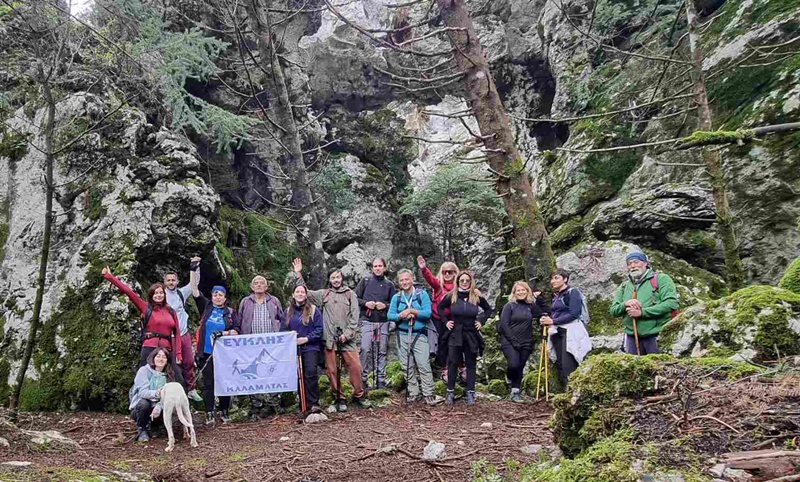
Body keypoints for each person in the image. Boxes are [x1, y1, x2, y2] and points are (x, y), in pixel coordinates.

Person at [289, 258, 371, 412]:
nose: (336, 280)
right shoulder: (324, 294)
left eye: (338, 277)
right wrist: (299, 274)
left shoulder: (350, 294)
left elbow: (355, 316)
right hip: (329, 339)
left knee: (356, 367)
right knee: (332, 370)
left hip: (347, 339)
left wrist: (347, 334)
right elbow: (306, 294)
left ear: (342, 278)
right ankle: (339, 397)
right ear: (329, 280)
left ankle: (359, 395)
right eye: (333, 277)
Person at [102, 266, 185, 387]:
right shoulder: (145, 307)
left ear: (164, 294)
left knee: (177, 380)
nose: (158, 295)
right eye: (155, 293)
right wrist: (109, 277)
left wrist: (178, 354)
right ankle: (140, 399)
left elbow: (177, 333)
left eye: (161, 293)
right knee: (144, 380)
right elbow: (128, 292)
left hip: (166, 350)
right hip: (150, 348)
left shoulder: (171, 311)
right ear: (151, 295)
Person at [388, 269, 443, 406]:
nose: (404, 282)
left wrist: (413, 311)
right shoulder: (397, 297)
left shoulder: (421, 295)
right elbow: (390, 315)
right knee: (407, 366)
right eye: (401, 280)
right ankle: (413, 393)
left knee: (423, 364)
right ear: (398, 282)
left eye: (407, 279)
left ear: (412, 279)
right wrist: (401, 315)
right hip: (402, 334)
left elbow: (427, 313)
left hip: (419, 334)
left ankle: (428, 394)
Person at [438, 271, 493, 405]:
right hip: (455, 333)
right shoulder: (452, 296)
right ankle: (450, 392)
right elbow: (440, 308)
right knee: (453, 362)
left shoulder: (476, 296)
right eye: (461, 280)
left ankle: (470, 393)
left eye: (467, 280)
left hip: (471, 333)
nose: (464, 282)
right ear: (457, 282)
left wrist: (481, 321)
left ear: (471, 282)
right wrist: (446, 321)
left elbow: (488, 310)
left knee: (470, 363)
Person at [609, 251, 679, 355]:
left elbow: (671, 303)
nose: (632, 266)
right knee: (635, 365)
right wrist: (625, 304)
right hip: (632, 337)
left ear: (645, 263)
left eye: (636, 262)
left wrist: (642, 313)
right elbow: (613, 311)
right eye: (629, 264)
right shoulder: (624, 286)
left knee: (658, 365)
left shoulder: (661, 279)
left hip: (656, 335)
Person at [238, 275, 285, 417]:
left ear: (266, 286)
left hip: (271, 344)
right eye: (256, 283)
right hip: (251, 344)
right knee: (253, 372)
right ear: (252, 287)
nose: (259, 285)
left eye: (262, 283)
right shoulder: (245, 302)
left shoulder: (274, 301)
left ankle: (273, 402)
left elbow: (281, 319)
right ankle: (256, 404)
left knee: (273, 371)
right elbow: (240, 320)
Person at [193, 285, 240, 425]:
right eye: (215, 295)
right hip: (206, 351)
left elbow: (237, 330)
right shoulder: (207, 307)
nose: (218, 297)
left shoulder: (230, 312)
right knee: (208, 383)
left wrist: (224, 333)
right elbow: (195, 292)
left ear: (225, 298)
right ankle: (209, 412)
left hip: (224, 354)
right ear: (212, 297)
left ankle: (224, 410)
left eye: (220, 295)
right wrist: (194, 273)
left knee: (224, 381)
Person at [497, 281, 550, 402]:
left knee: (520, 366)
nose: (521, 292)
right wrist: (513, 340)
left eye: (523, 290)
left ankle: (515, 392)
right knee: (513, 364)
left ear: (527, 291)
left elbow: (544, 313)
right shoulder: (509, 306)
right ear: (514, 293)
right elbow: (504, 324)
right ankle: (509, 377)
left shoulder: (530, 306)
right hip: (510, 340)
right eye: (518, 290)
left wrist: (539, 299)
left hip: (526, 341)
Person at [540, 269, 592, 387]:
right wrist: (547, 320)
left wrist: (553, 321)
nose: (553, 281)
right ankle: (566, 390)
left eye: (556, 278)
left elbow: (574, 313)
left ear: (565, 279)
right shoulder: (556, 296)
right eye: (551, 278)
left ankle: (573, 390)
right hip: (557, 332)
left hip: (570, 331)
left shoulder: (573, 292)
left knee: (569, 362)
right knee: (561, 363)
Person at [417, 256, 463, 381]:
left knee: (456, 343)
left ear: (455, 273)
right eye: (444, 272)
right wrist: (424, 269)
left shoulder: (459, 287)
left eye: (450, 272)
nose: (447, 274)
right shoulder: (439, 285)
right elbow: (431, 280)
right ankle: (444, 368)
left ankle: (460, 366)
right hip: (438, 319)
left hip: (454, 319)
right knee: (442, 343)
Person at [164, 257, 203, 402]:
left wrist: (195, 267)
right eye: (168, 280)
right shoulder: (161, 295)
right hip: (169, 335)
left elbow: (194, 284)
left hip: (183, 333)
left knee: (189, 361)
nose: (171, 282)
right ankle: (175, 391)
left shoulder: (181, 293)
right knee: (172, 364)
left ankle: (191, 389)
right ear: (164, 282)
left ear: (177, 281)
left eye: (173, 280)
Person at [355, 258, 396, 390]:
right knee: (365, 349)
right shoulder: (365, 281)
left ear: (384, 268)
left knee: (382, 350)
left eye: (380, 266)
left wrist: (385, 306)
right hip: (367, 320)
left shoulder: (389, 284)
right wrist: (366, 303)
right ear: (372, 268)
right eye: (375, 266)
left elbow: (394, 303)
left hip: (383, 321)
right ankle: (363, 379)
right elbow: (355, 298)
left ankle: (381, 380)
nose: (378, 268)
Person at [285, 284, 324, 415]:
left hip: (310, 347)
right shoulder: (288, 312)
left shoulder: (313, 310)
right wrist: (291, 338)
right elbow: (283, 329)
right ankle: (302, 404)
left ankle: (313, 403)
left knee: (311, 372)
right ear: (293, 294)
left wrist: (306, 338)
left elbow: (319, 329)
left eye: (302, 292)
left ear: (306, 295)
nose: (300, 294)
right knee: (298, 375)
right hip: (294, 349)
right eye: (297, 292)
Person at [129, 347, 175, 442]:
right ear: (153, 358)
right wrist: (157, 393)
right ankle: (142, 429)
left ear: (167, 360)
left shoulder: (169, 375)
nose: (161, 359)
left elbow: (168, 397)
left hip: (158, 407)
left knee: (170, 405)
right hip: (141, 407)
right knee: (144, 404)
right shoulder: (144, 371)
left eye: (164, 357)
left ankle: (156, 426)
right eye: (158, 356)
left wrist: (159, 406)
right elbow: (142, 392)